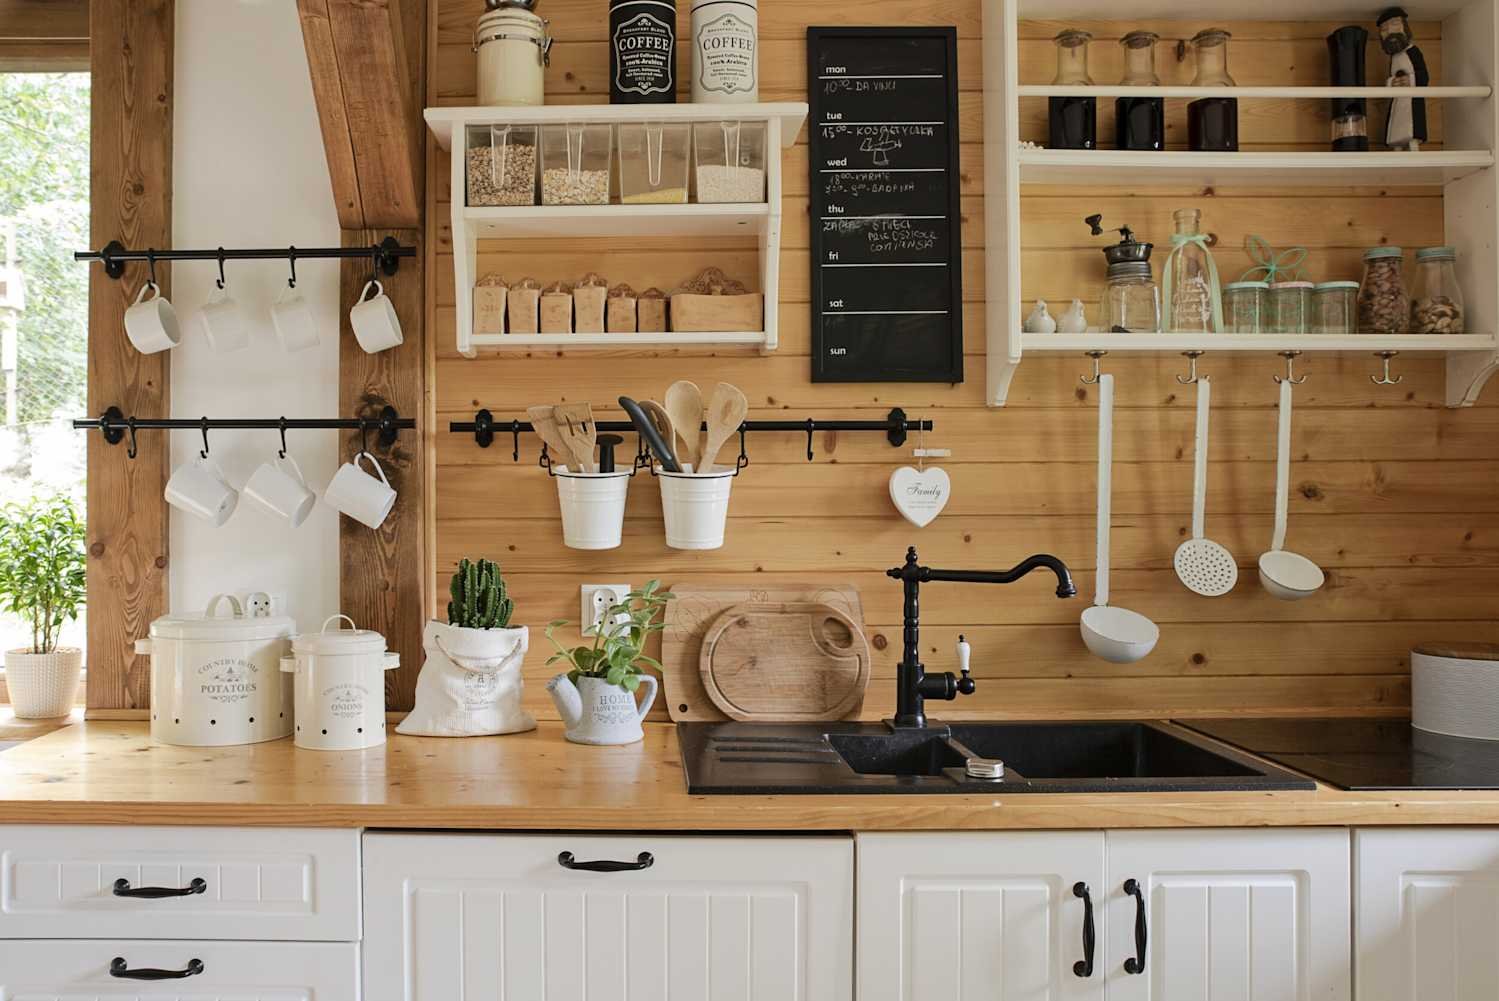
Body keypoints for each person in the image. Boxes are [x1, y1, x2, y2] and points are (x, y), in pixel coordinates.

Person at [1378, 7, 1428, 151]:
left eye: (1394, 25)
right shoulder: (1394, 58)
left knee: (1411, 126)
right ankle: (1397, 150)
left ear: (1404, 27)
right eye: (1384, 29)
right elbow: (1391, 77)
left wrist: (1410, 79)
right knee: (1396, 126)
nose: (1389, 32)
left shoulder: (1413, 52)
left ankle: (1414, 149)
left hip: (1411, 99)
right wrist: (1391, 83)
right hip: (1398, 100)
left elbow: (1424, 76)